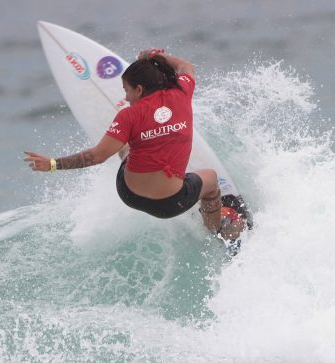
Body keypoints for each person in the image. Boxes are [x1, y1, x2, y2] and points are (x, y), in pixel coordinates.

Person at [24, 48, 245, 240]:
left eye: (126, 91)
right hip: (170, 204)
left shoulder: (128, 116)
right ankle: (217, 228)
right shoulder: (182, 91)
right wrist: (155, 55)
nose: (126, 97)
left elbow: (96, 156)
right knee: (211, 179)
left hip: (129, 193)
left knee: (124, 146)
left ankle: (125, 151)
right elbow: (185, 66)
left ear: (139, 89)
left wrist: (52, 164)